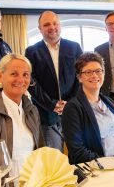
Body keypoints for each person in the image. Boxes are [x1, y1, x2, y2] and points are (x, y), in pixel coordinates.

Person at [0, 54, 45, 175]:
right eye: (14, 74)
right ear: (0, 77)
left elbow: (41, 151)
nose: (21, 80)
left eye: (25, 75)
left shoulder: (33, 111)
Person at [25, 11, 83, 152]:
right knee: (54, 157)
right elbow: (32, 83)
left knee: (78, 154)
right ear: (40, 28)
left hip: (73, 111)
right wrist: (52, 104)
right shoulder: (31, 51)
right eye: (46, 24)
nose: (52, 27)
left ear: (60, 25)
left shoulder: (74, 47)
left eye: (55, 23)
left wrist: (70, 102)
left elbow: (81, 77)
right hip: (47, 114)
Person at [62, 52, 114, 164]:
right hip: (98, 169)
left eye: (98, 71)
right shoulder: (72, 108)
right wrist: (106, 162)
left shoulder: (109, 102)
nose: (94, 75)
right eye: (88, 72)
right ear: (79, 77)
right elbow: (77, 152)